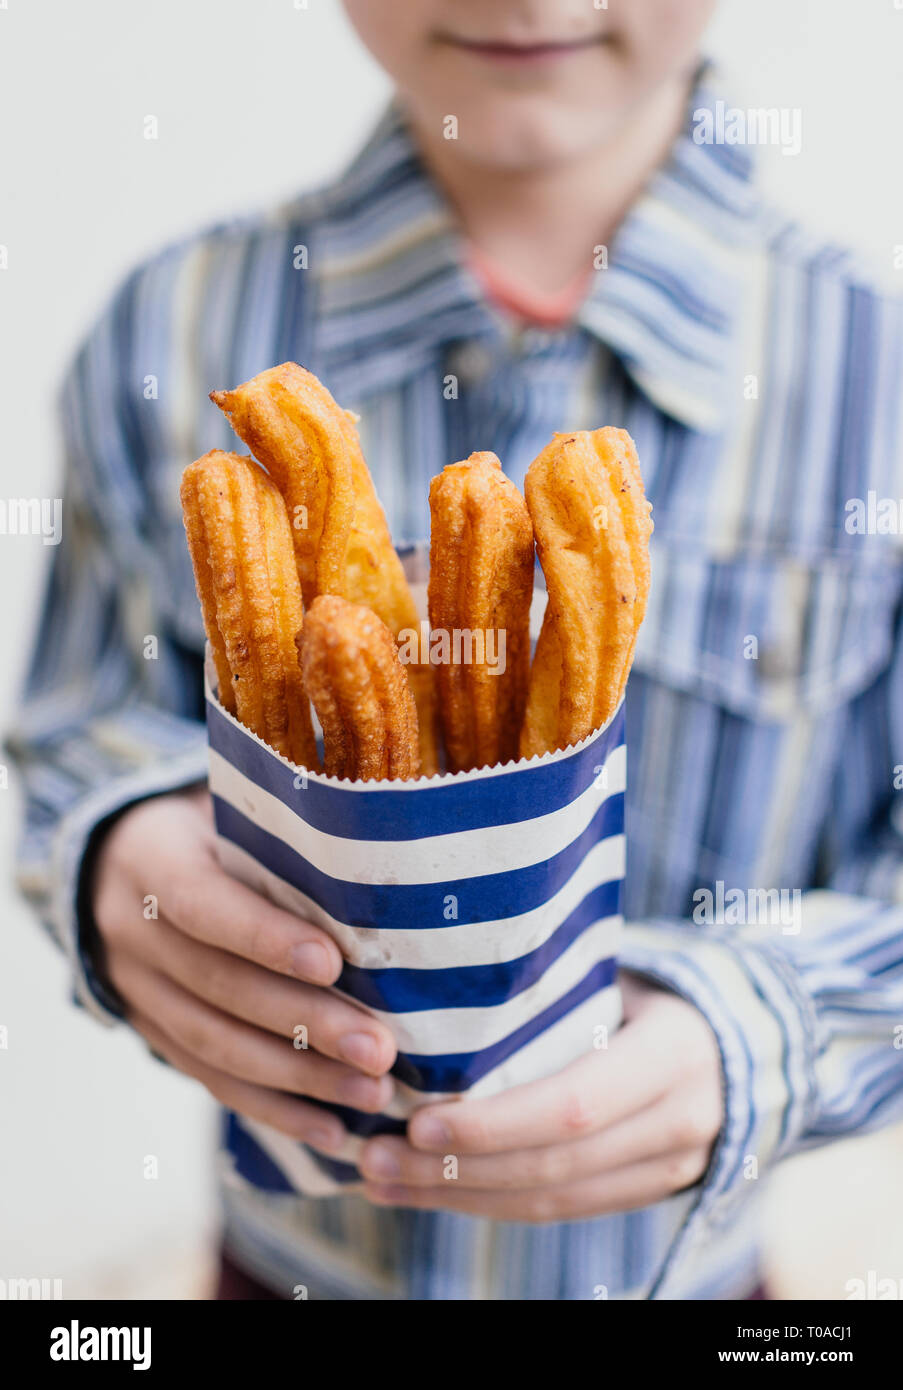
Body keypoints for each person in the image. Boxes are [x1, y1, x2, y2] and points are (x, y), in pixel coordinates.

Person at [8, 0, 903, 1301]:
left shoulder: (874, 381)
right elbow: (73, 724)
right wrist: (118, 857)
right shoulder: (166, 328)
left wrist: (761, 1034)